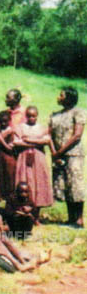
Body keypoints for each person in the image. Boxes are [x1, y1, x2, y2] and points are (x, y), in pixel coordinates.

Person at [49, 86, 85, 227]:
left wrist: (60, 152)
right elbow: (49, 134)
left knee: (75, 184)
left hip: (73, 154)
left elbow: (77, 135)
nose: (59, 97)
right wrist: (54, 153)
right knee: (65, 185)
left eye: (61, 95)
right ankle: (70, 218)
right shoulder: (55, 115)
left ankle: (79, 219)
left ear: (69, 98)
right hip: (59, 155)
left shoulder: (78, 113)